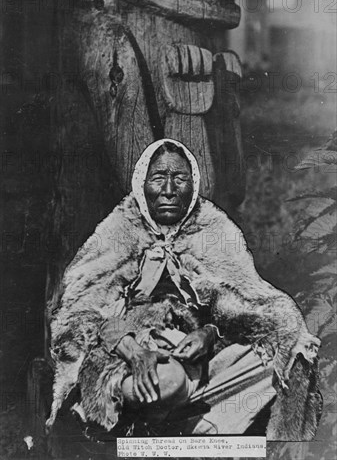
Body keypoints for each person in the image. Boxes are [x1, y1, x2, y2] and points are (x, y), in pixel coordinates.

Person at [47, 139, 321, 439]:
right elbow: (79, 315)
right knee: (166, 382)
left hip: (205, 359)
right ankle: (186, 418)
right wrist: (134, 350)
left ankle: (191, 421)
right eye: (158, 179)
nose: (168, 190)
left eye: (179, 179)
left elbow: (247, 300)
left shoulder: (214, 228)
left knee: (281, 352)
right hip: (131, 354)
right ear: (141, 184)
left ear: (193, 185)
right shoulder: (118, 231)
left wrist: (208, 335)